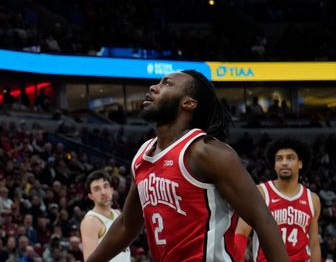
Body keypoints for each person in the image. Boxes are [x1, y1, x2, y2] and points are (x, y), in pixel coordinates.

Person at [86, 70, 289, 262]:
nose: (153, 87)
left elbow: (262, 219)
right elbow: (126, 225)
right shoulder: (142, 156)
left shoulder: (205, 151)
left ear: (189, 103)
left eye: (166, 84)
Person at [234, 137, 321, 262]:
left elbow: (314, 244)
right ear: (274, 165)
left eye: (290, 158)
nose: (284, 162)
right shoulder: (260, 193)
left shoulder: (313, 199)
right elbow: (241, 233)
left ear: (300, 164)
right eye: (279, 159)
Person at [80, 170, 130, 262]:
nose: (103, 192)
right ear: (91, 196)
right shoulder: (90, 221)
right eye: (97, 189)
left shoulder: (117, 214)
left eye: (106, 186)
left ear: (112, 189)